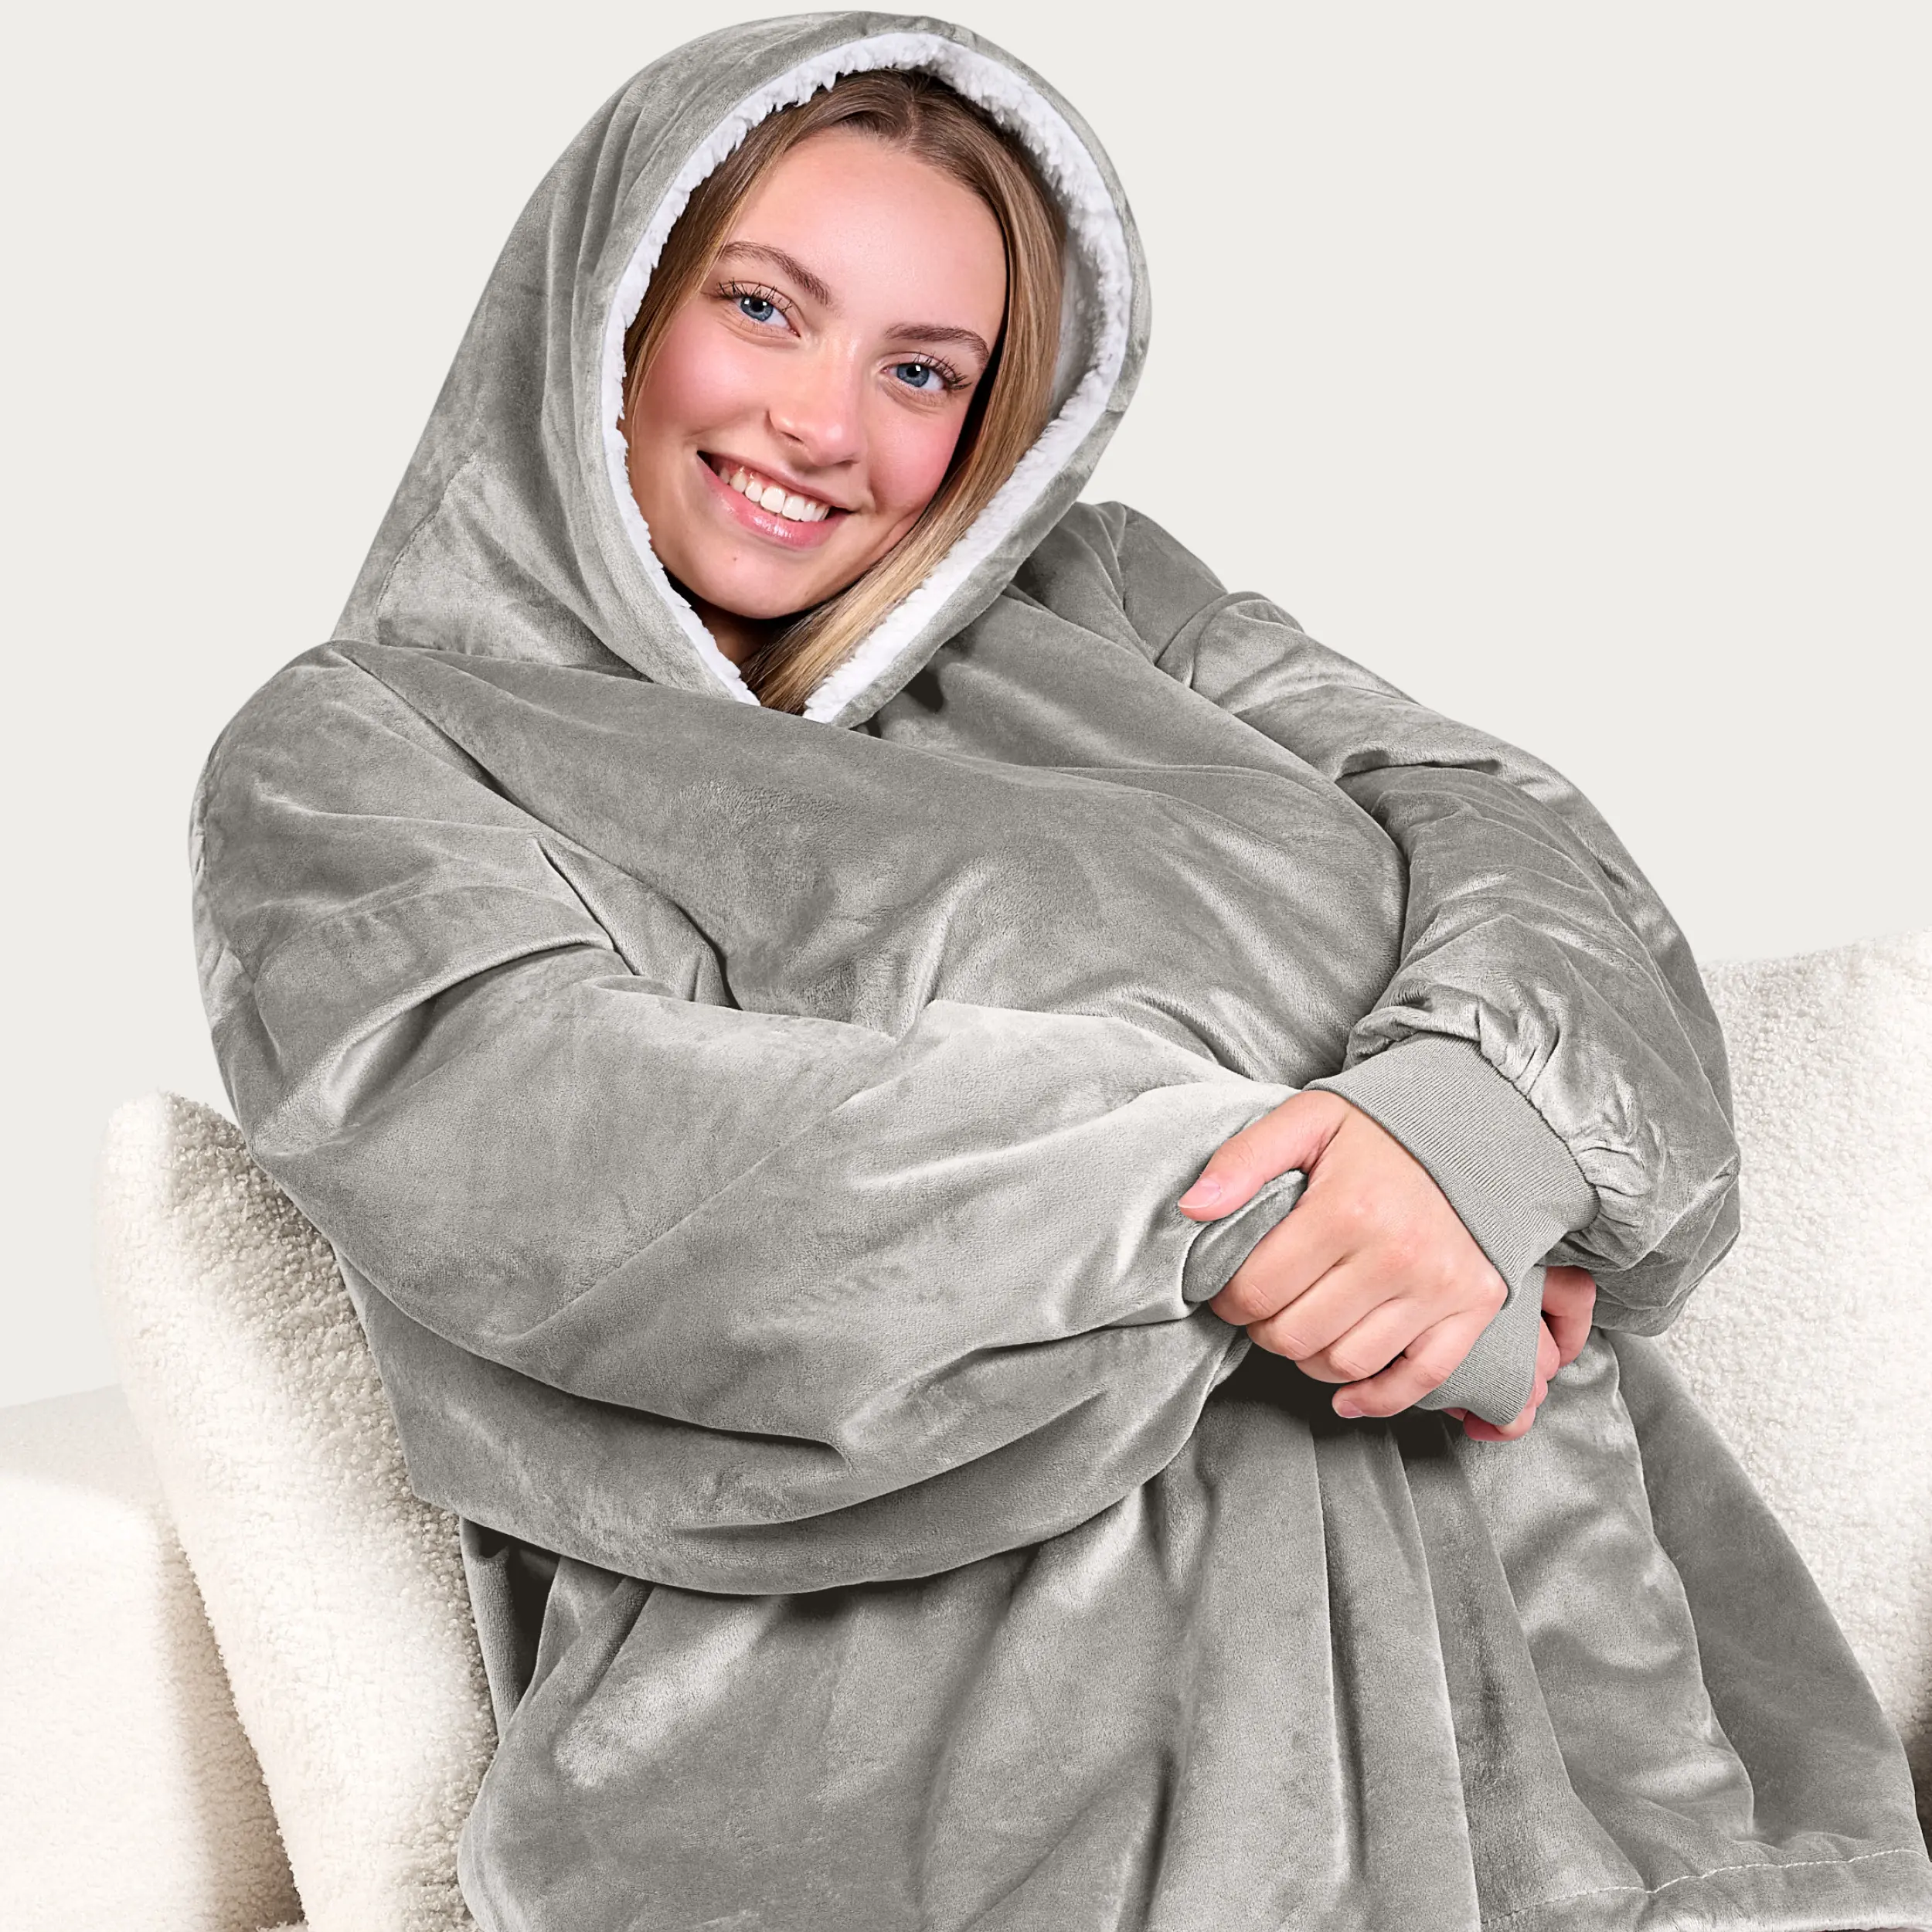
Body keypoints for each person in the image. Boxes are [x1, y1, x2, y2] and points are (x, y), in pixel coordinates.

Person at [188, 15, 1932, 1932]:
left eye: (919, 368)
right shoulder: (359, 750)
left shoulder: (1101, 601)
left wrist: (1468, 1123)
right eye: (762, 309)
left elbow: (1506, 832)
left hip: (1557, 1699)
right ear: (600, 308)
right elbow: (579, 1159)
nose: (822, 424)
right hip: (903, 1758)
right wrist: (1292, 1215)